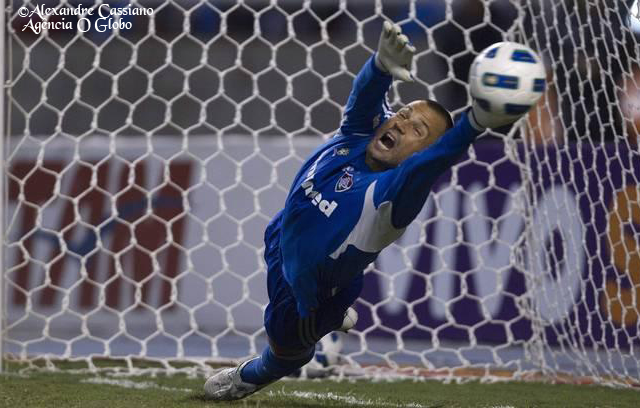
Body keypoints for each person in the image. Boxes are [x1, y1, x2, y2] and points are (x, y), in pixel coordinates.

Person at [204, 21, 520, 401]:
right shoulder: (359, 135)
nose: (401, 122)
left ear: (418, 154)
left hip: (307, 292)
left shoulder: (390, 197)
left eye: (417, 130)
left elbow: (432, 163)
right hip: (281, 236)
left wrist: (475, 123)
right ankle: (335, 315)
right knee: (280, 234)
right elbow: (365, 99)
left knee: (286, 351)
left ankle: (251, 374)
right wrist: (380, 67)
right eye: (403, 113)